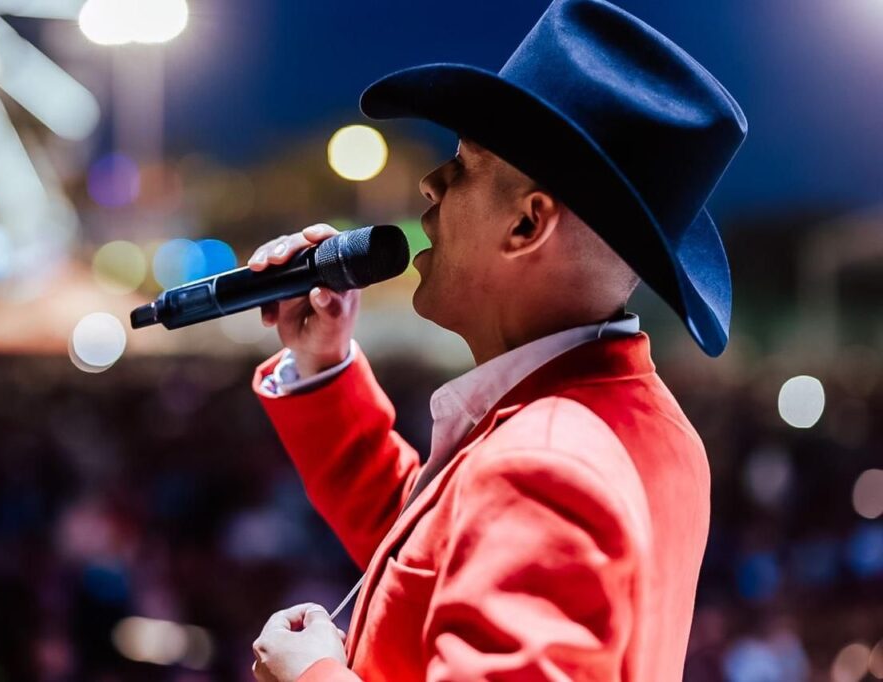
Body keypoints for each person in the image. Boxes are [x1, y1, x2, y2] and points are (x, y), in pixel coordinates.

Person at [248, 0, 747, 679]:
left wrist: (312, 675)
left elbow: (504, 507)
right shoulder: (643, 425)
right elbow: (435, 544)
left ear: (526, 224)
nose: (431, 182)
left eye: (463, 163)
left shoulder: (546, 465)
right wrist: (322, 362)